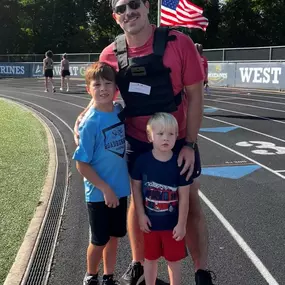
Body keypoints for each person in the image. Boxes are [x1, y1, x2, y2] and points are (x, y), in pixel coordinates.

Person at [74, 1, 215, 284]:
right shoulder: (110, 54)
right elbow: (100, 97)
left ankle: (201, 271)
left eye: (135, 4)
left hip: (177, 140)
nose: (129, 12)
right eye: (122, 8)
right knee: (138, 205)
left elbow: (196, 96)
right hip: (136, 141)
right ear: (116, 17)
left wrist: (189, 143)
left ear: (147, 6)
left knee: (191, 204)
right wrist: (82, 116)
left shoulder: (179, 43)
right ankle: (138, 263)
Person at [73, 62, 131, 285]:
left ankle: (108, 276)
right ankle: (91, 276)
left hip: (120, 190)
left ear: (116, 88)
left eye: (108, 83)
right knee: (99, 240)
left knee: (114, 238)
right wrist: (105, 188)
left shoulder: (117, 111)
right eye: (97, 85)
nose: (103, 88)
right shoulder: (90, 124)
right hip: (99, 194)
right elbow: (82, 164)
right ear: (89, 90)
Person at [132, 113, 192, 285]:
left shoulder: (179, 163)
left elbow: (184, 197)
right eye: (160, 134)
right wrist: (141, 215)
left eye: (171, 134)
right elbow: (135, 190)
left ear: (177, 136)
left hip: (172, 226)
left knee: (174, 262)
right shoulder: (141, 162)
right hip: (150, 225)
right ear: (150, 136)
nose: (166, 138)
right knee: (150, 260)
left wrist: (181, 224)